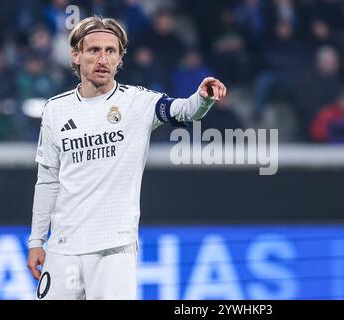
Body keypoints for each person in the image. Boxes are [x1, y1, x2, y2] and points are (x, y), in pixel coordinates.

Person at [26, 16, 227, 300]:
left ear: (120, 58)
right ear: (76, 55)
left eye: (111, 51)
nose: (103, 59)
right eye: (94, 50)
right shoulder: (55, 110)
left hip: (114, 248)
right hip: (63, 248)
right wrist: (37, 241)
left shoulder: (137, 102)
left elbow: (183, 110)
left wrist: (202, 98)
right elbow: (47, 181)